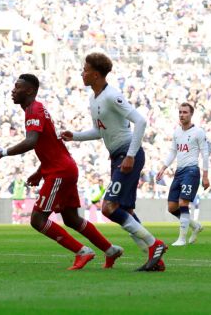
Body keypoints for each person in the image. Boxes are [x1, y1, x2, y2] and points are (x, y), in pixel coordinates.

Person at [0, 74, 123, 270]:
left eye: (18, 87)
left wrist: (1, 153)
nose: (13, 90)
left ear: (29, 90)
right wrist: (40, 170)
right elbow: (50, 144)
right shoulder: (36, 109)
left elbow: (32, 142)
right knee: (72, 219)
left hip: (60, 171)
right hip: (63, 167)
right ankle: (110, 250)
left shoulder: (34, 110)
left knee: (38, 219)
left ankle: (82, 251)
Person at [62, 52, 168, 272]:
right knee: (124, 211)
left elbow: (140, 121)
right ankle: (155, 259)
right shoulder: (94, 99)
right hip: (117, 156)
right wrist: (75, 136)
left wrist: (130, 155)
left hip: (127, 154)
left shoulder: (112, 96)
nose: (82, 73)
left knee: (108, 208)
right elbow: (99, 131)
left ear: (97, 74)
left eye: (86, 69)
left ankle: (154, 244)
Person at [155, 102, 209, 246]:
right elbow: (173, 151)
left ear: (191, 115)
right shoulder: (177, 132)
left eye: (185, 112)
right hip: (179, 172)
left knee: (183, 203)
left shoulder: (198, 132)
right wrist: (163, 167)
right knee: (172, 207)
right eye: (180, 112)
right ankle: (195, 226)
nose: (182, 115)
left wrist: (205, 175)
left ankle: (182, 239)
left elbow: (205, 153)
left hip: (191, 171)